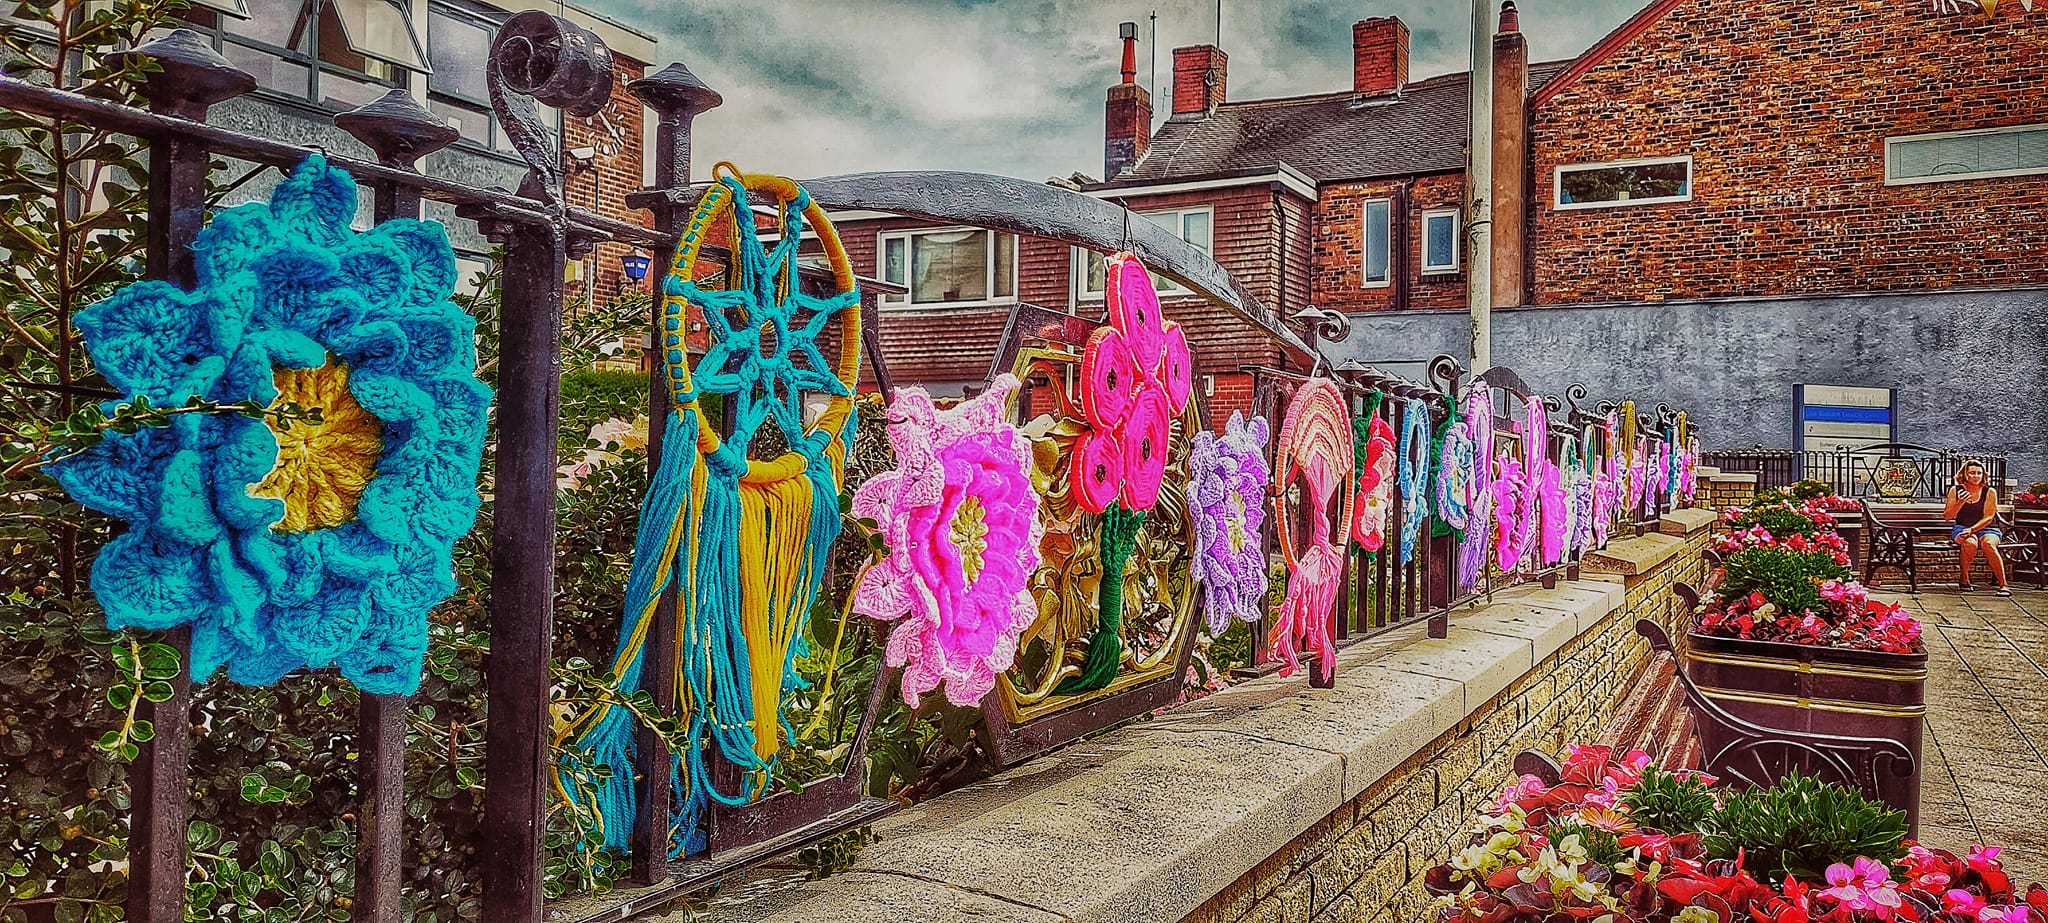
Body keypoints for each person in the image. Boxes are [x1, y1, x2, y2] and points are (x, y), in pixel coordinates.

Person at [1945, 460, 2010, 596]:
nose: (1976, 476)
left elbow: (1988, 517)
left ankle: (2003, 584)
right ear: (1965, 474)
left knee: (1988, 544)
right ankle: (1964, 577)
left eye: (1979, 473)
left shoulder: (1989, 491)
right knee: (1970, 544)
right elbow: (1947, 516)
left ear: (1983, 475)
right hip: (1962, 527)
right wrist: (1960, 502)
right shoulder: (1955, 490)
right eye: (1972, 473)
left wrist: (1973, 530)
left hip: (1988, 528)